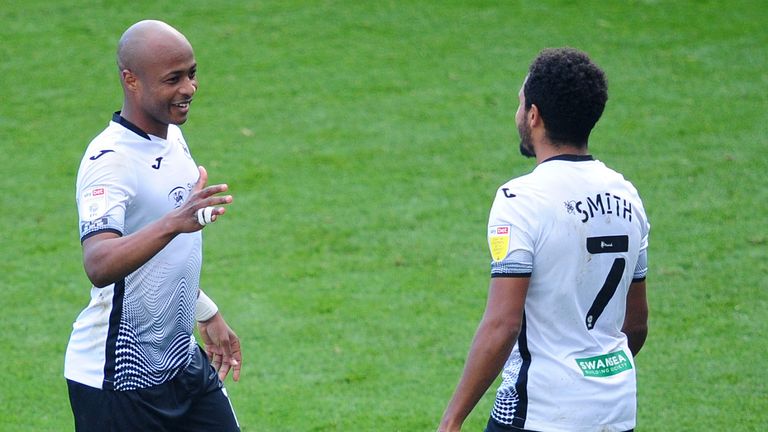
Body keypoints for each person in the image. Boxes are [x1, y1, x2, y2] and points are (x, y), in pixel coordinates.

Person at [438, 48, 650, 432]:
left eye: (520, 104)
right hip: (616, 409)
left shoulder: (520, 200)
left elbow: (503, 325)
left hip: (539, 412)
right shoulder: (628, 196)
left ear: (534, 115)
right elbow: (636, 324)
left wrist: (452, 420)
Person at [65, 20, 242, 432]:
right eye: (173, 79)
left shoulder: (171, 137)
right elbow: (100, 261)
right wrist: (175, 222)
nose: (189, 89)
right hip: (117, 381)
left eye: (192, 74)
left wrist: (206, 310)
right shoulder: (109, 161)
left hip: (180, 362)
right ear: (132, 81)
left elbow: (160, 257)